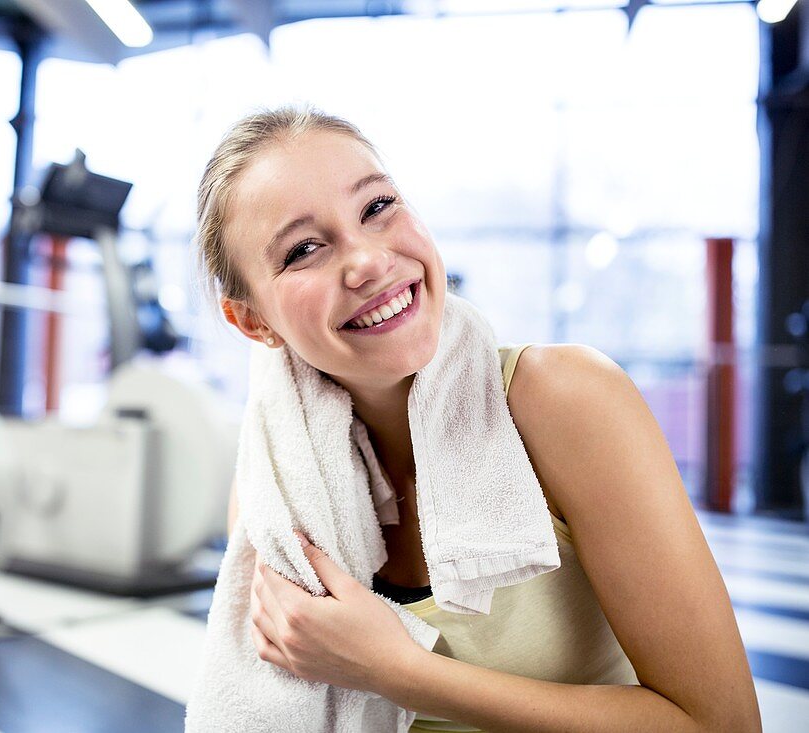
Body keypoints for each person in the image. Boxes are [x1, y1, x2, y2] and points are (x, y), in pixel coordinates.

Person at [194, 106, 761, 732]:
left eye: (377, 207)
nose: (369, 262)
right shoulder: (273, 479)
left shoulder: (564, 399)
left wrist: (397, 671)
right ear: (252, 322)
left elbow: (724, 724)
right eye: (304, 249)